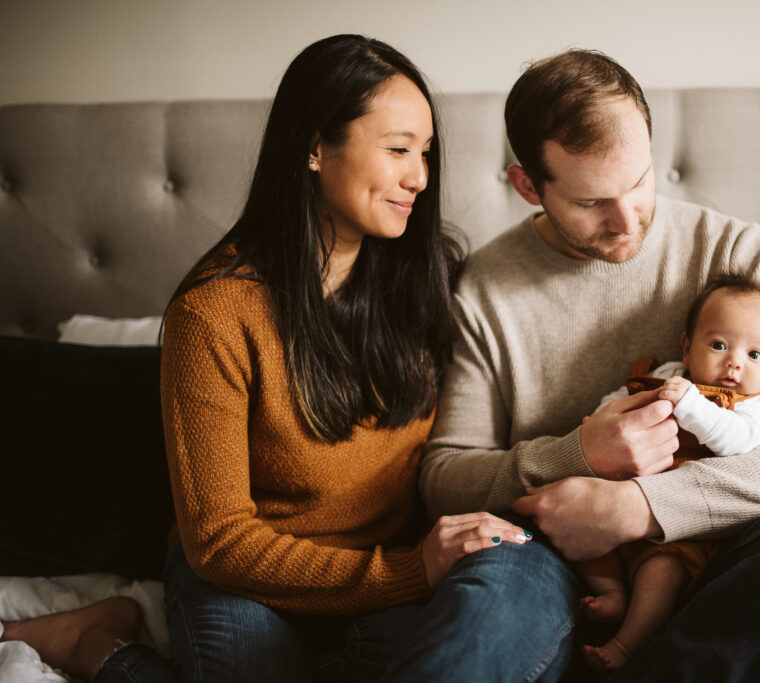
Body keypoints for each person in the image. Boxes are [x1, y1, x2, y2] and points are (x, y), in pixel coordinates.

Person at [0, 35, 578, 683]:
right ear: (312, 147)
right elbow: (219, 540)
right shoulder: (214, 311)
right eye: (396, 150)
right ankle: (97, 645)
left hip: (390, 561)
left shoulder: (429, 278)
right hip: (249, 574)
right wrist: (408, 571)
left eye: (424, 153)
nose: (419, 176)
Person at [419, 49, 760, 681]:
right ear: (528, 186)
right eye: (591, 202)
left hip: (734, 546)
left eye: (639, 182)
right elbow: (443, 476)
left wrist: (641, 506)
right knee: (481, 624)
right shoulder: (486, 289)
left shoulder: (741, 254)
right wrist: (577, 455)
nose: (625, 221)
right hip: (561, 556)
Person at [577, 276, 760, 670]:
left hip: (679, 525)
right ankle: (612, 593)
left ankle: (627, 644)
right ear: (688, 347)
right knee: (582, 534)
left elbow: (736, 441)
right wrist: (596, 423)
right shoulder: (671, 373)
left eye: (755, 355)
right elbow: (621, 400)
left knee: (663, 570)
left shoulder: (753, 405)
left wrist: (693, 406)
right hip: (614, 496)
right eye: (719, 345)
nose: (734, 362)